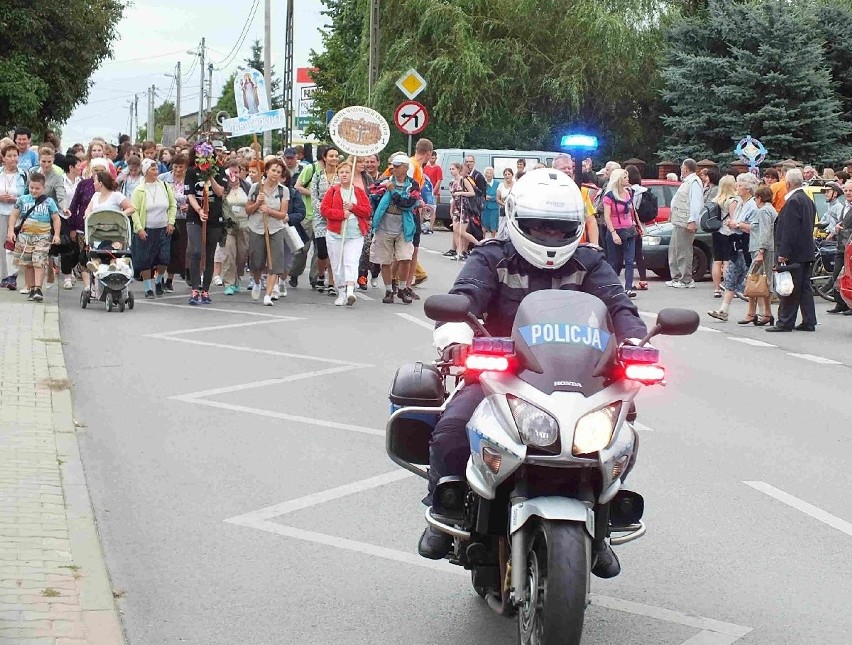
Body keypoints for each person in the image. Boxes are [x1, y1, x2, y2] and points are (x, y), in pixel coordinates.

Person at [418, 168, 647, 580]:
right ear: (515, 219)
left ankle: (605, 522)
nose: (550, 236)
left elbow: (620, 308)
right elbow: (463, 298)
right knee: (453, 425)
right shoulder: (491, 256)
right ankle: (443, 504)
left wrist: (634, 344)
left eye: (560, 229)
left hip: (581, 377)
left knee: (620, 433)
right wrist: (456, 337)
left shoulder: (589, 262)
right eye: (539, 226)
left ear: (577, 227)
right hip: (501, 373)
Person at [766, 168, 818, 332]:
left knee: (790, 287)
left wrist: (783, 253)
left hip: (794, 253)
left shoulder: (794, 201)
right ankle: (809, 321)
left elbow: (789, 230)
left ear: (787, 184)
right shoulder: (807, 200)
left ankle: (785, 322)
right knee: (804, 287)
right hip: (806, 251)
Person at [370, 152, 422, 304]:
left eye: (398, 167)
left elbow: (407, 203)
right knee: (385, 260)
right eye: (393, 166)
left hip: (404, 226)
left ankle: (402, 288)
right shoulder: (384, 181)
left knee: (405, 258)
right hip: (384, 224)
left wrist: (392, 190)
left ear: (406, 168)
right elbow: (372, 194)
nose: (395, 170)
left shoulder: (413, 185)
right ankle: (388, 290)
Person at [708, 173, 758, 321]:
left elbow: (754, 227)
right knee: (731, 277)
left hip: (748, 245)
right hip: (736, 244)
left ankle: (761, 312)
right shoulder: (739, 202)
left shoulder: (753, 205)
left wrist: (736, 224)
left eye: (740, 185)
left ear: (748, 188)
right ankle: (724, 310)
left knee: (753, 280)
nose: (737, 187)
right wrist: (732, 224)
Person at [321, 161, 372, 306]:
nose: (344, 175)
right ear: (338, 175)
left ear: (351, 175)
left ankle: (350, 291)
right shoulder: (333, 191)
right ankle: (341, 293)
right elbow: (324, 210)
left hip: (355, 234)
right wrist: (341, 214)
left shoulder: (359, 192)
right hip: (335, 234)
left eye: (347, 172)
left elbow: (367, 211)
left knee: (351, 262)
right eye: (342, 172)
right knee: (337, 264)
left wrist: (353, 207)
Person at [5, 172, 61, 302]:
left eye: (37, 188)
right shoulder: (23, 200)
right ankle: (31, 288)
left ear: (43, 187)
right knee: (28, 263)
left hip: (42, 236)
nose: (34, 190)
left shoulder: (49, 201)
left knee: (39, 262)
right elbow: (13, 215)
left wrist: (56, 234)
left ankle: (38, 288)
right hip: (25, 236)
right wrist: (10, 231)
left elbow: (56, 218)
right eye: (31, 187)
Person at [185, 145, 227, 306]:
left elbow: (219, 192)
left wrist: (210, 176)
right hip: (195, 217)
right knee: (195, 251)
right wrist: (198, 209)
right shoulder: (191, 172)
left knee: (209, 254)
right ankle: (195, 289)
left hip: (214, 217)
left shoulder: (220, 171)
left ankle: (206, 290)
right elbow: (189, 194)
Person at [245, 159, 291, 306]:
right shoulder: (255, 188)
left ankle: (268, 294)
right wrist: (258, 203)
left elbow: (283, 214)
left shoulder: (283, 190)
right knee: (256, 262)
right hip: (257, 228)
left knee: (274, 262)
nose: (275, 174)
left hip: (276, 228)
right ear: (266, 171)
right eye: (273, 170)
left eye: (278, 172)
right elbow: (248, 210)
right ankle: (257, 281)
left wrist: (269, 211)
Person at [130, 159, 176, 299]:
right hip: (147, 229)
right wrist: (139, 229)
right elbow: (134, 211)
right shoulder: (139, 190)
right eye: (152, 169)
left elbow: (172, 205)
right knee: (146, 260)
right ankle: (148, 288)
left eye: (156, 169)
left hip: (163, 228)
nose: (156, 172)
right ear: (145, 172)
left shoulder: (165, 186)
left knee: (164, 259)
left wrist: (171, 222)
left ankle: (158, 280)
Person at [738, 185, 777, 326]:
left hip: (762, 250)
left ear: (759, 198)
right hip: (763, 249)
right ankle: (767, 313)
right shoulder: (769, 209)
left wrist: (761, 251)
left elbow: (765, 232)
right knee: (763, 281)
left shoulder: (764, 211)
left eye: (755, 198)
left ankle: (751, 313)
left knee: (753, 280)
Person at [666, 158, 703, 288]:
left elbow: (696, 203)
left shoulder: (694, 182)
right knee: (674, 250)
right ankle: (676, 277)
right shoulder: (686, 181)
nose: (680, 169)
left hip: (686, 221)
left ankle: (686, 279)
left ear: (686, 168)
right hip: (679, 221)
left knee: (684, 250)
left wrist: (693, 220)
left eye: (682, 167)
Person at [602, 169, 639, 297]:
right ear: (618, 179)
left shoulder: (627, 193)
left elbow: (631, 212)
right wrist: (613, 233)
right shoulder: (609, 196)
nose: (627, 179)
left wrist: (636, 225)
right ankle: (613, 288)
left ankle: (628, 288)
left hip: (629, 230)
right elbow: (607, 217)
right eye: (624, 177)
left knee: (629, 260)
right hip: (615, 230)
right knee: (614, 261)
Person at [310, 146, 340, 296]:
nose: (334, 158)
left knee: (333, 250)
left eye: (336, 156)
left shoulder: (341, 176)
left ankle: (332, 281)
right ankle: (321, 274)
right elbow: (313, 195)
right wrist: (322, 208)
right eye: (331, 156)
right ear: (325, 158)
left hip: (335, 217)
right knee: (322, 251)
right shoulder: (317, 176)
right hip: (320, 217)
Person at [159, 153, 190, 292]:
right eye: (176, 166)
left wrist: (189, 205)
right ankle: (159, 278)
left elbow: (195, 196)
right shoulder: (163, 178)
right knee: (164, 250)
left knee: (178, 251)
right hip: (166, 219)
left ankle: (170, 280)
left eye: (181, 167)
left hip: (183, 219)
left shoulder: (189, 180)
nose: (178, 170)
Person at [221, 159, 251, 296]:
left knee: (241, 255)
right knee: (229, 254)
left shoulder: (247, 187)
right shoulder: (222, 188)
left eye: (236, 172)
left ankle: (238, 277)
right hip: (228, 227)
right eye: (231, 172)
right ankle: (228, 282)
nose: (234, 175)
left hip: (244, 225)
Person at [0, 144, 28, 290]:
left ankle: (12, 277)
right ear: (3, 158)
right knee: (1, 246)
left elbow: (30, 194)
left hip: (17, 214)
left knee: (12, 245)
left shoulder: (23, 174)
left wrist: (16, 199)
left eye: (15, 155)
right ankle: (3, 276)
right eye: (9, 156)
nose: (12, 159)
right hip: (0, 212)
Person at [709, 175, 738, 298]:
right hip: (728, 233)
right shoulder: (732, 200)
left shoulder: (715, 199)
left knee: (717, 261)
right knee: (727, 262)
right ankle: (728, 287)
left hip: (716, 231)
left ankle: (716, 289)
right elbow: (733, 219)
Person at [827, 180, 852, 315]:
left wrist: (844, 231)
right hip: (841, 246)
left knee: (850, 277)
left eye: (851, 191)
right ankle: (840, 303)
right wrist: (836, 228)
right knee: (837, 274)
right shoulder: (845, 206)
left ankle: (850, 305)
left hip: (850, 247)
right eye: (846, 190)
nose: (848, 193)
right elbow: (842, 222)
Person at [625, 164, 650, 290]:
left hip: (630, 225)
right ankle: (643, 279)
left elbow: (631, 209)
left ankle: (624, 282)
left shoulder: (629, 191)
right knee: (639, 253)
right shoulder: (644, 190)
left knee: (627, 255)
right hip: (641, 226)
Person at [482, 167, 500, 238]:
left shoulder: (497, 183)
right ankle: (482, 240)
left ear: (493, 174)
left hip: (494, 207)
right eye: (487, 173)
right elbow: (479, 193)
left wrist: (491, 197)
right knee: (483, 224)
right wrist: (483, 197)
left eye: (490, 173)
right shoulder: (482, 182)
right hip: (484, 207)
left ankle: (493, 240)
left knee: (493, 225)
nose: (488, 175)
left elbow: (499, 195)